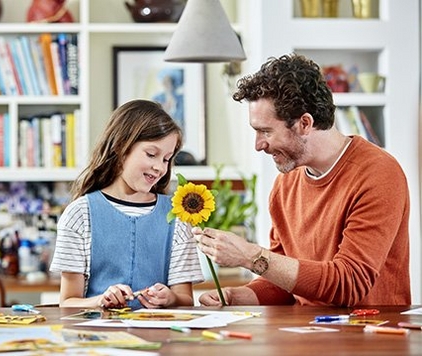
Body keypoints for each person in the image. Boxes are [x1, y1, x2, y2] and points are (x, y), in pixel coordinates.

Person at [194, 53, 411, 307]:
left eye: (265, 131)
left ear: (305, 123)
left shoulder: (378, 174)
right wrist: (235, 296)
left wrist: (250, 255)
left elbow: (349, 284)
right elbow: (282, 281)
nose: (258, 145)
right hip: (311, 334)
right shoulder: (286, 184)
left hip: (371, 337)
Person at [50, 99, 204, 309]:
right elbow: (67, 303)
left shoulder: (177, 216)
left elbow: (185, 300)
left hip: (160, 338)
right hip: (97, 338)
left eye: (167, 159)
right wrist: (101, 300)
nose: (160, 167)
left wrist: (170, 298)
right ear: (121, 147)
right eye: (151, 154)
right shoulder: (79, 214)